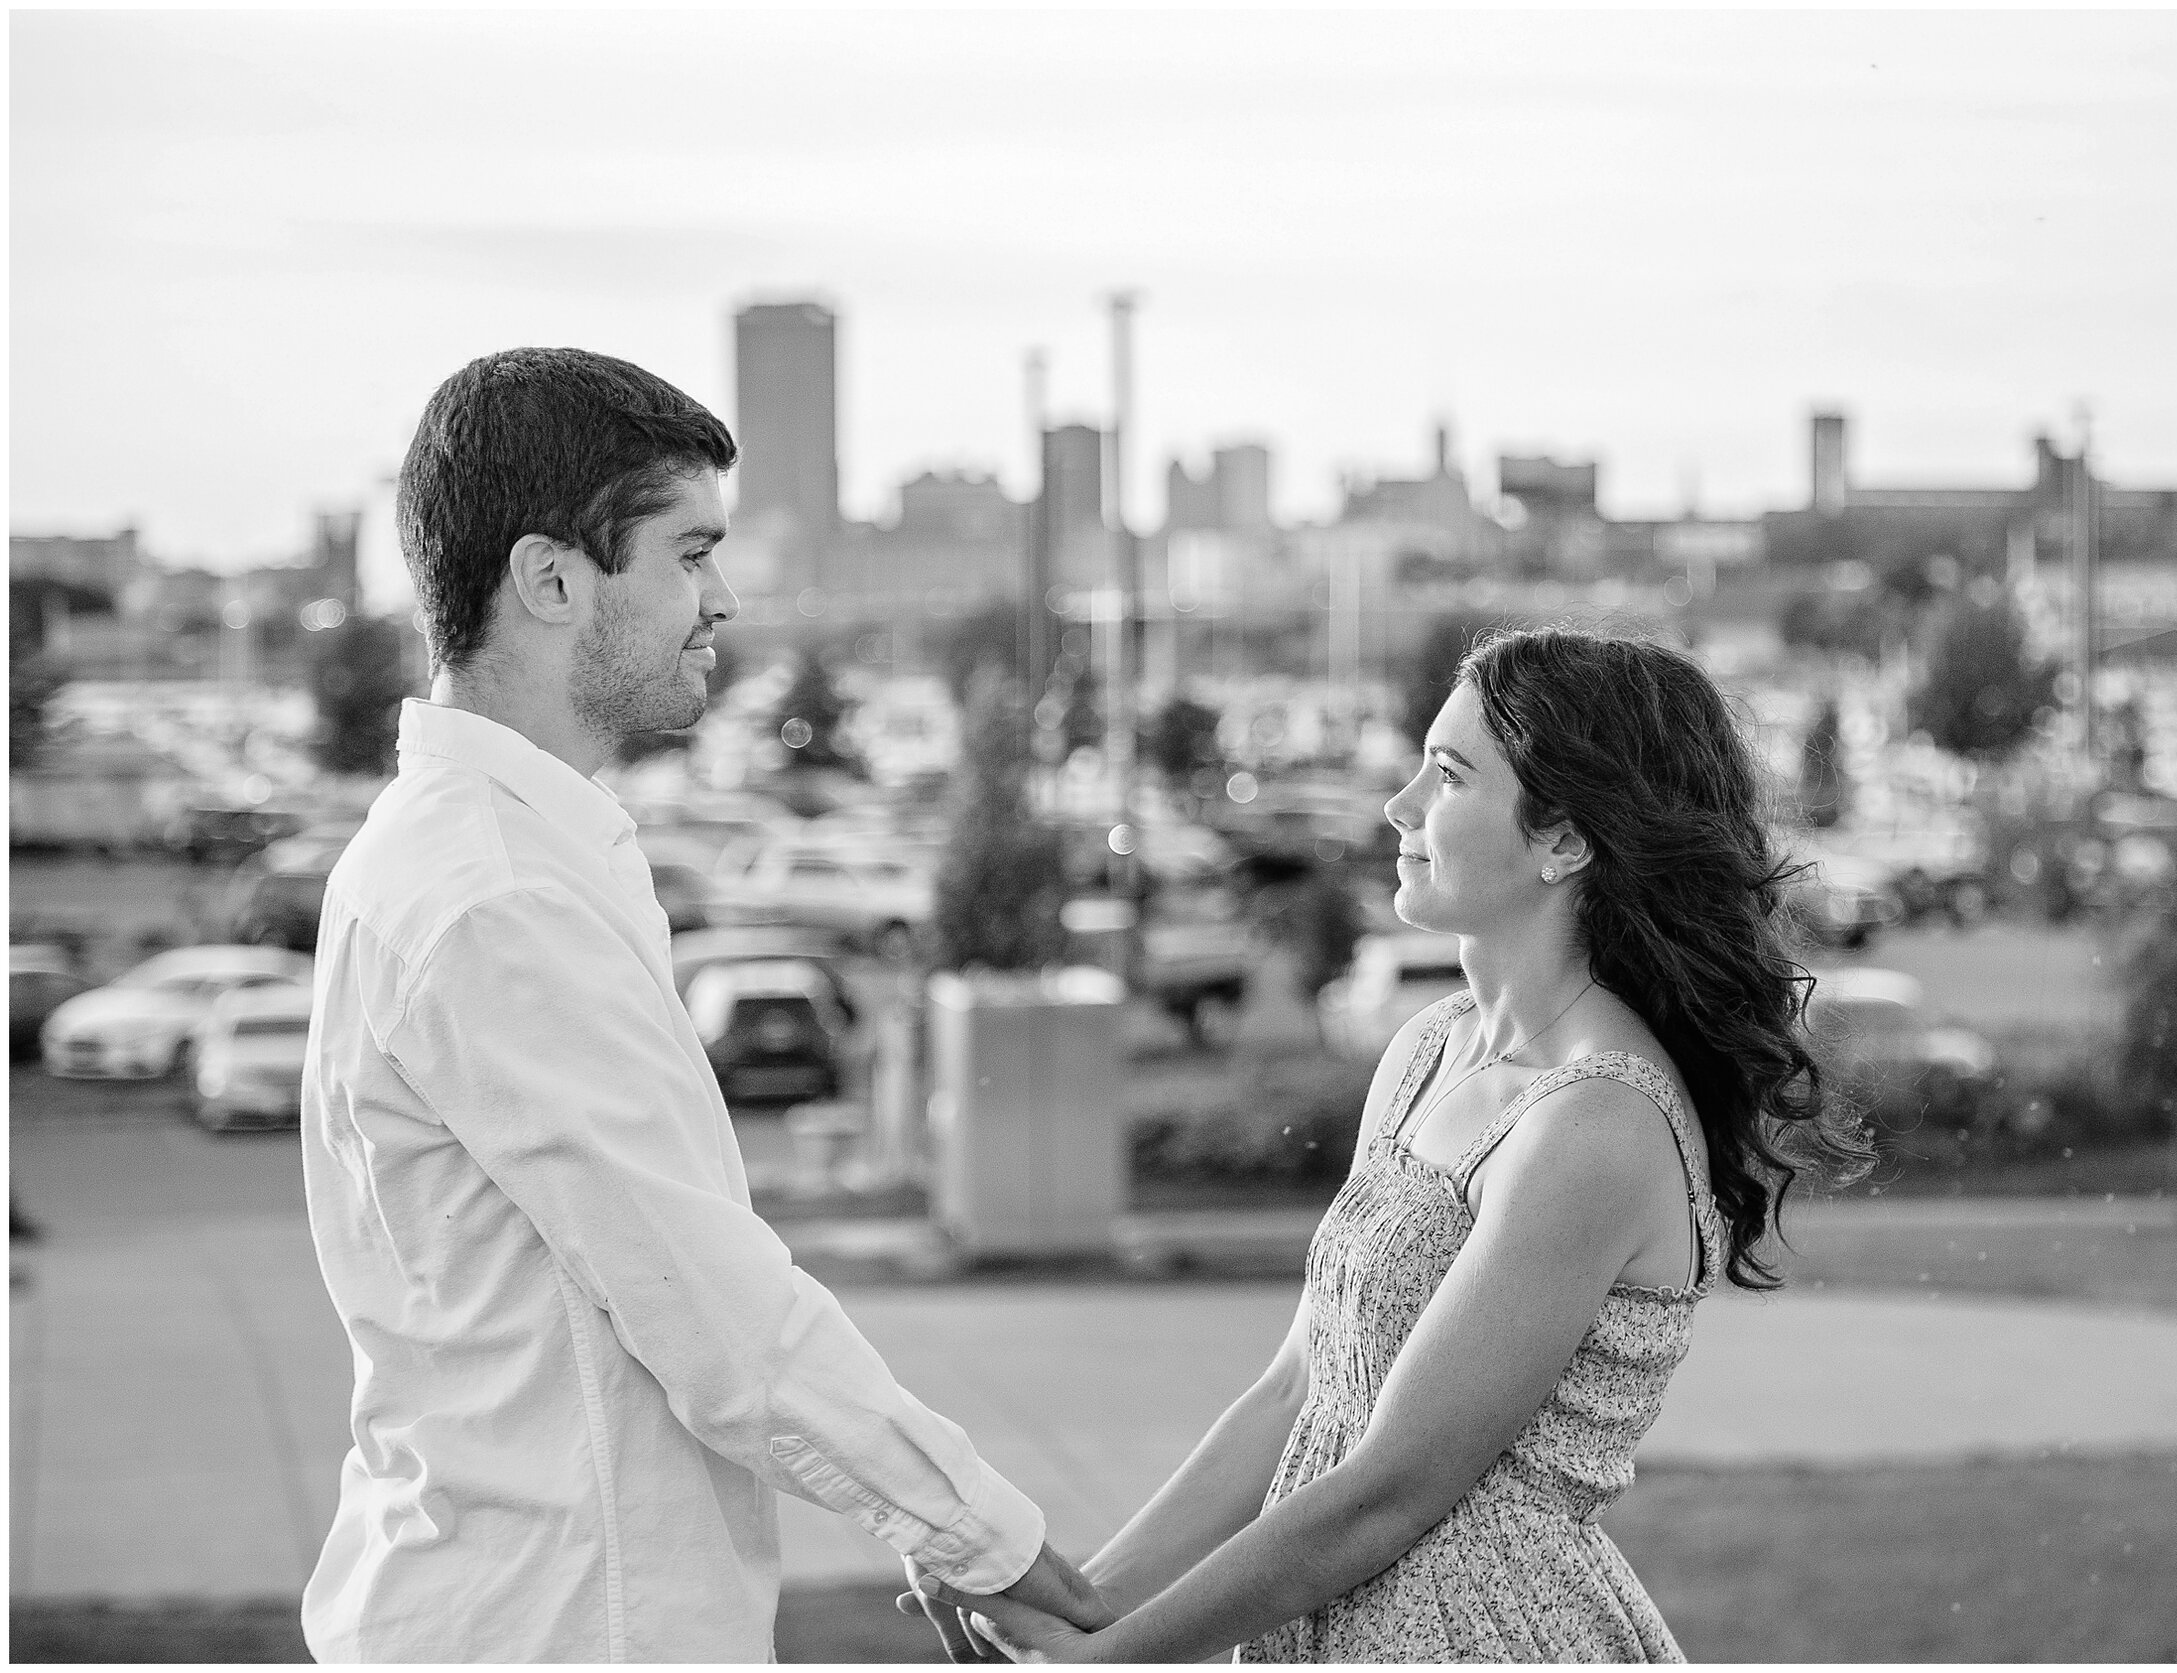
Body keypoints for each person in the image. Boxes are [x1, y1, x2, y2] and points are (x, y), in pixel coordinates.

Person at [299, 347, 1107, 1662]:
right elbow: (721, 1321)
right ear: (550, 579)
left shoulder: (471, 851)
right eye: (688, 553)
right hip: (561, 1631)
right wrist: (996, 1544)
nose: (722, 598)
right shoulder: (497, 898)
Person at [915, 628, 1872, 1663]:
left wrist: (1113, 1659)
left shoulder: (1596, 1120)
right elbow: (1298, 1389)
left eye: (1449, 776)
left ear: (1564, 840)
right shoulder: (1429, 1049)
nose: (1399, 805)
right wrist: (1090, 1602)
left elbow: (1388, 1489)